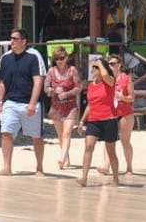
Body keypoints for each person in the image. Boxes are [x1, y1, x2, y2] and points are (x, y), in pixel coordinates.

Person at [0, 28, 46, 176]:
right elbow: (2, 82)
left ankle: (39, 168)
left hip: (29, 102)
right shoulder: (5, 57)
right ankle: (6, 167)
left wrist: (32, 103)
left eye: (15, 39)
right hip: (10, 102)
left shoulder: (34, 56)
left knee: (36, 136)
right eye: (11, 38)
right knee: (6, 133)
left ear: (23, 41)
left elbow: (38, 81)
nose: (11, 41)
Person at [76, 58, 120, 187]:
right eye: (94, 67)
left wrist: (100, 63)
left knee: (111, 151)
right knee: (88, 146)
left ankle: (116, 178)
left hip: (109, 120)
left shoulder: (110, 81)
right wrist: (82, 120)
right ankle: (84, 177)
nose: (93, 70)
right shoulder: (91, 85)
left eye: (96, 67)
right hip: (94, 120)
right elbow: (90, 105)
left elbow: (106, 75)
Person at [45, 47, 81, 170]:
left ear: (66, 58)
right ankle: (66, 158)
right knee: (60, 134)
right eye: (56, 59)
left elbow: (78, 87)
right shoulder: (51, 71)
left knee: (67, 133)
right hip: (56, 107)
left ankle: (62, 157)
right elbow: (46, 88)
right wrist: (54, 91)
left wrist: (66, 93)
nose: (59, 61)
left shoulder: (72, 70)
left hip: (70, 106)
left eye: (61, 58)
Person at [104, 55, 135, 175]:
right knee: (108, 139)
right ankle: (106, 166)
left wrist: (121, 97)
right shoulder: (106, 79)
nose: (110, 66)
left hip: (125, 113)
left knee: (124, 141)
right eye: (108, 64)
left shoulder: (126, 78)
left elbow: (131, 98)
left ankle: (129, 167)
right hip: (110, 113)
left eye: (112, 63)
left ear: (119, 65)